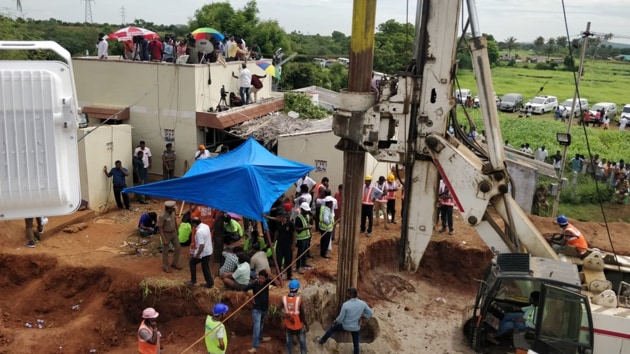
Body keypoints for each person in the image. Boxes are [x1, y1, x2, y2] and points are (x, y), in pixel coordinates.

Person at [317, 288, 373, 354]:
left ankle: (321, 341)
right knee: (356, 343)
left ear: (350, 294)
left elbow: (340, 318)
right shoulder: (362, 303)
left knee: (332, 327)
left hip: (345, 326)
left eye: (347, 293)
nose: (346, 295)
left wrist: (335, 321)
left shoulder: (346, 305)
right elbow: (370, 313)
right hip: (356, 327)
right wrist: (362, 318)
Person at [243, 270, 273, 353]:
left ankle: (260, 338)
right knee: (257, 327)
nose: (261, 280)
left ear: (265, 278)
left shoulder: (267, 282)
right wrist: (251, 297)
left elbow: (278, 283)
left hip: (264, 308)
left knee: (261, 324)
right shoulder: (255, 283)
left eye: (263, 278)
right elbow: (244, 289)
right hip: (257, 309)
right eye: (259, 278)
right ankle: (255, 346)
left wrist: (270, 273)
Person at [265, 211, 295, 280]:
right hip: (280, 244)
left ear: (282, 217)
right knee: (278, 260)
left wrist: (293, 244)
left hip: (288, 245)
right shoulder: (278, 223)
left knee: (288, 260)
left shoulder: (290, 223)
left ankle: (289, 275)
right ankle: (279, 275)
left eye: (278, 217)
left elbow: (294, 233)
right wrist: (274, 241)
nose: (277, 218)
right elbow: (277, 232)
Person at [280, 280, 308, 354]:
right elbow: (302, 315)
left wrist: (287, 317)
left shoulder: (284, 299)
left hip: (289, 326)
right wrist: (306, 324)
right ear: (297, 289)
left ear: (289, 288)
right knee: (302, 344)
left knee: (289, 344)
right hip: (299, 326)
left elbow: (278, 310)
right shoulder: (299, 300)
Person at [186, 217, 214, 288]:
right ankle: (210, 282)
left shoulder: (199, 232)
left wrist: (197, 254)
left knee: (192, 262)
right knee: (205, 267)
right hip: (208, 250)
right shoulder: (206, 226)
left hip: (203, 252)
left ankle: (193, 281)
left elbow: (201, 245)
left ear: (195, 224)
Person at [158, 201, 181, 273]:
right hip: (166, 234)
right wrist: (164, 239)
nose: (174, 209)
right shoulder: (162, 216)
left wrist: (177, 230)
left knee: (178, 247)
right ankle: (165, 265)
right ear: (168, 209)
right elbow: (160, 228)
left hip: (173, 232)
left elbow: (175, 221)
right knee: (166, 251)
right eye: (173, 208)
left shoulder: (173, 213)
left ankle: (175, 263)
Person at [294, 203, 312, 274]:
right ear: (302, 210)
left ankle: (304, 263)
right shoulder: (298, 218)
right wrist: (306, 228)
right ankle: (298, 266)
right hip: (301, 238)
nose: (307, 212)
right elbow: (297, 228)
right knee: (300, 253)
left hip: (307, 237)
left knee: (305, 251)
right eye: (306, 210)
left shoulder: (306, 216)